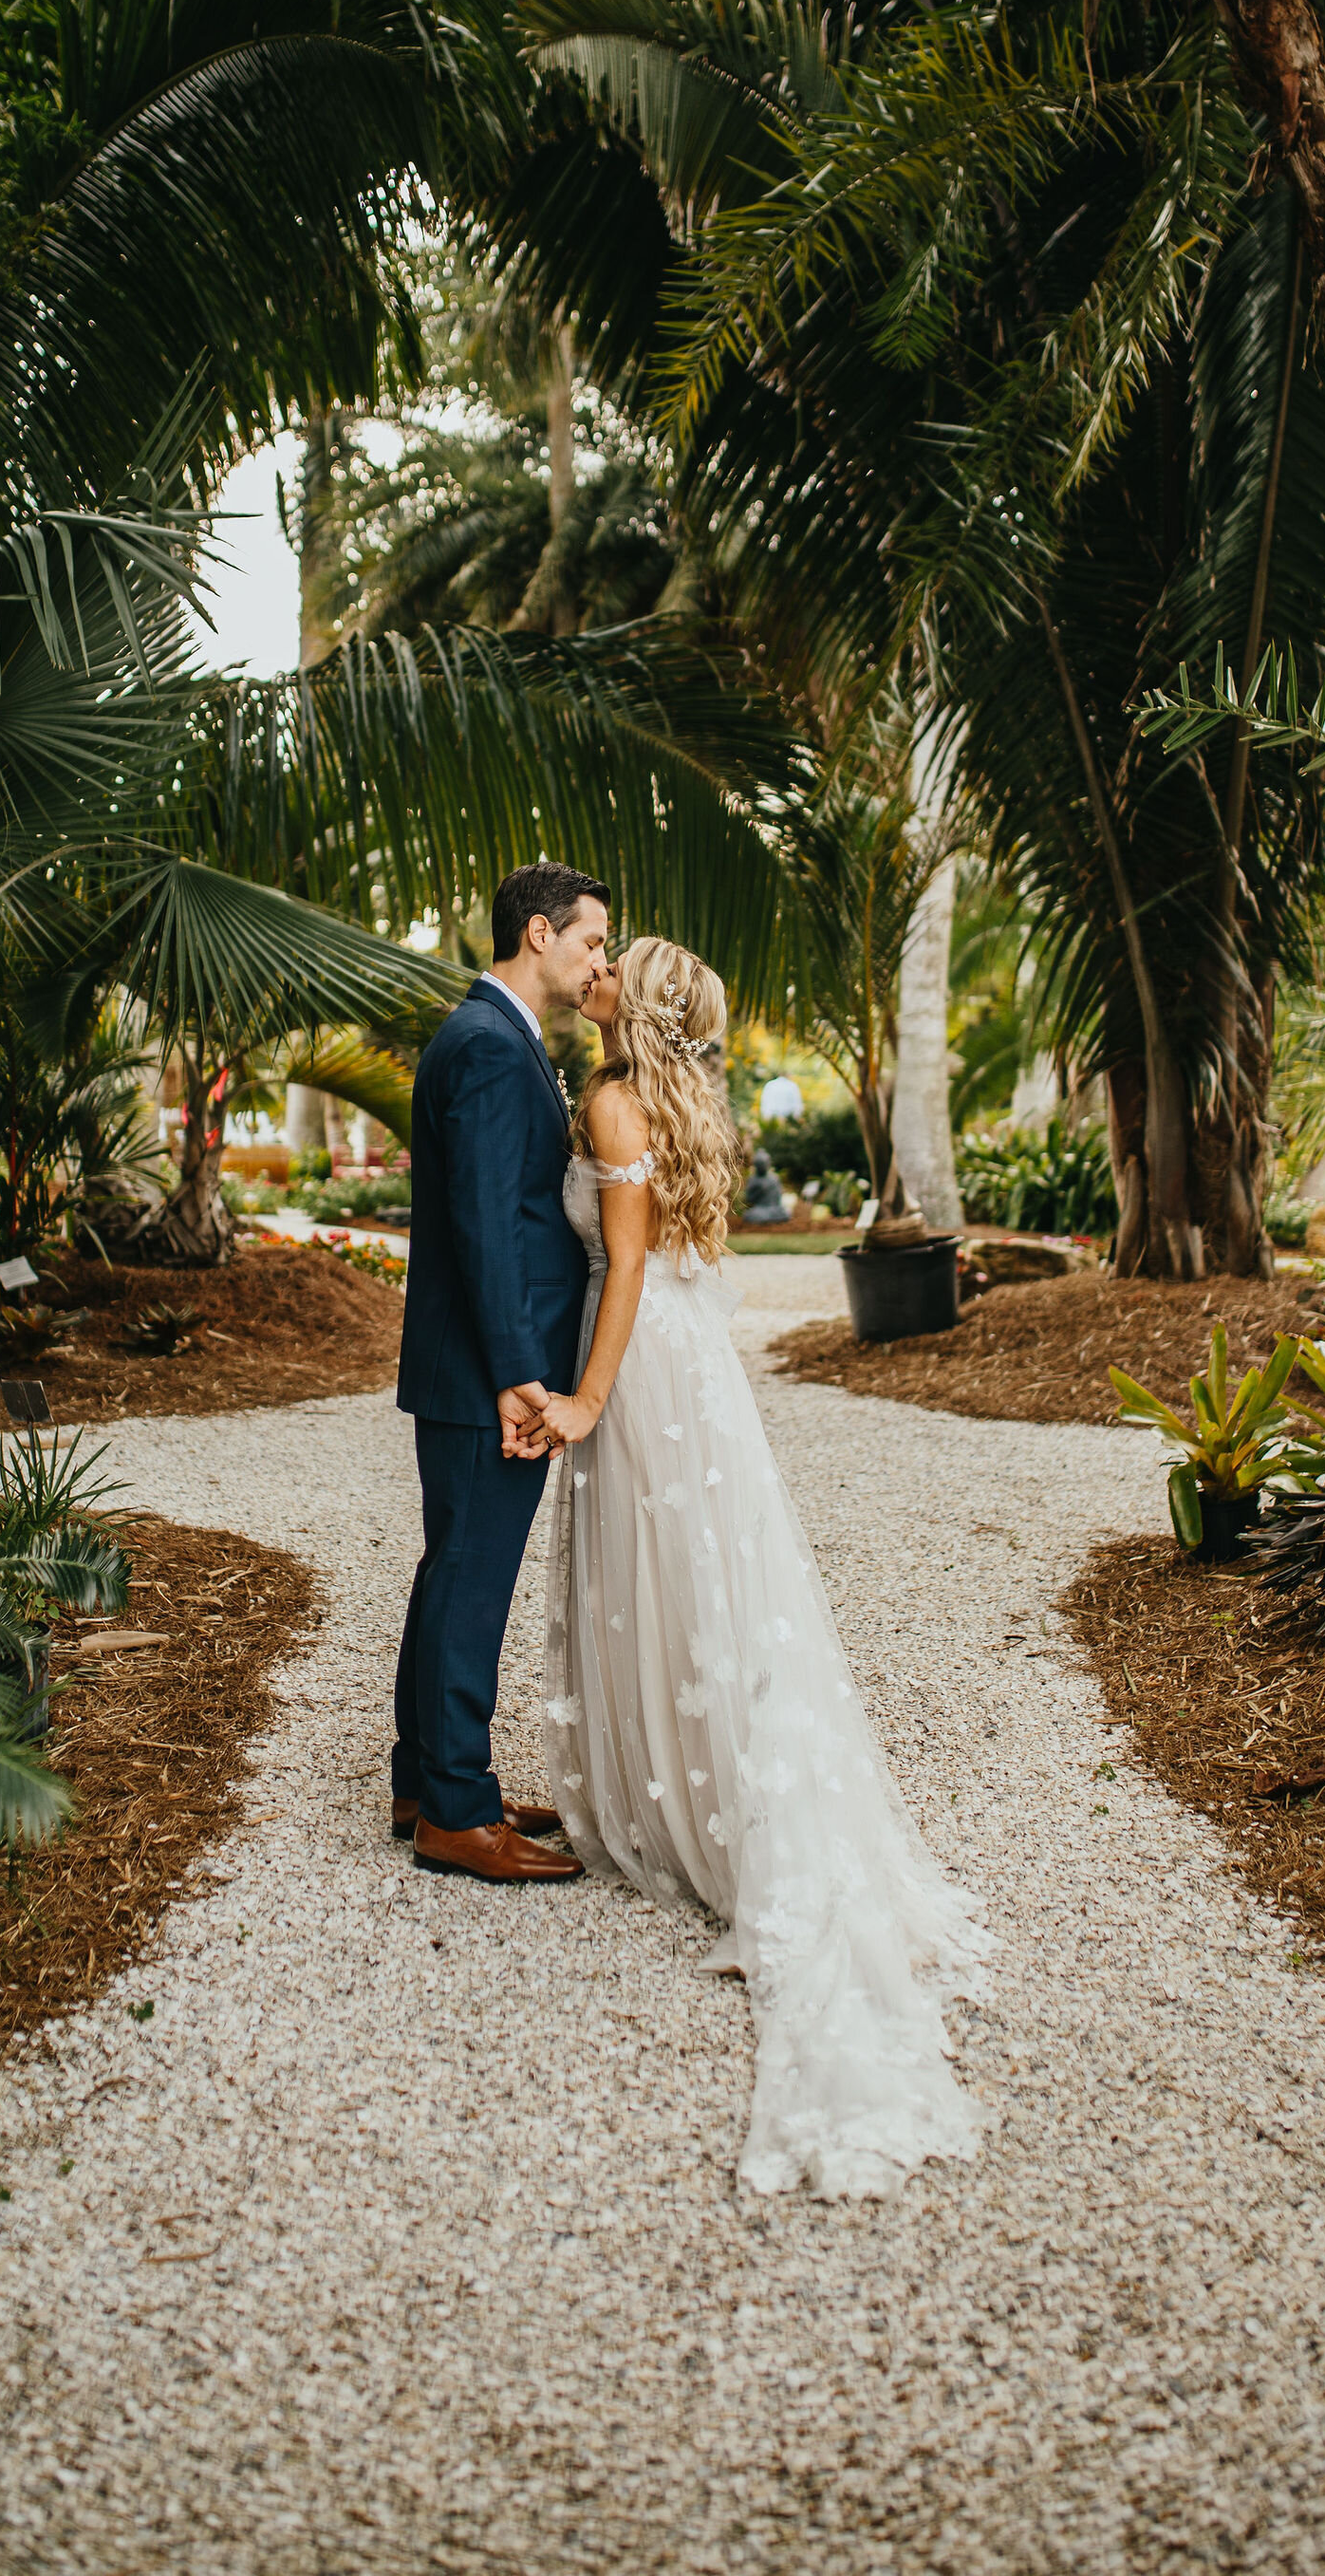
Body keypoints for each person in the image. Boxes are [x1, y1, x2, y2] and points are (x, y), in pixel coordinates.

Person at [521, 938, 993, 2194]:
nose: (599, 969)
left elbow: (623, 1264)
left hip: (641, 1364)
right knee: (703, 1582)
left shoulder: (618, 1099)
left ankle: (690, 1807)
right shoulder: (676, 1103)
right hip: (692, 1369)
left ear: (643, 1004)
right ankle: (697, 1781)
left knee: (669, 1577)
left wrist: (583, 1401)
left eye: (618, 964)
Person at [391, 862, 610, 1882]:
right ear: (537, 933)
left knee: (452, 1571)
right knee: (471, 1581)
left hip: (478, 1366)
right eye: (590, 941)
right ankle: (456, 1814)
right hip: (490, 1376)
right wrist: (521, 1373)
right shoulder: (486, 1045)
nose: (596, 960)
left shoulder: (496, 1038)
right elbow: (484, 1227)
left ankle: (426, 1778)